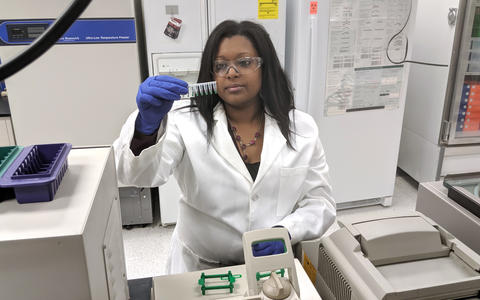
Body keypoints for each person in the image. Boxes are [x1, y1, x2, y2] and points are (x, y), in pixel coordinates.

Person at [113, 20, 336, 274]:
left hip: (270, 266)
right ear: (212, 75)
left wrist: (286, 232)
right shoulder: (183, 121)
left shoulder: (302, 128)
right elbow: (136, 175)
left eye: (244, 62)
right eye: (221, 66)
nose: (231, 72)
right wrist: (146, 127)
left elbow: (320, 202)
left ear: (266, 68)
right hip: (200, 268)